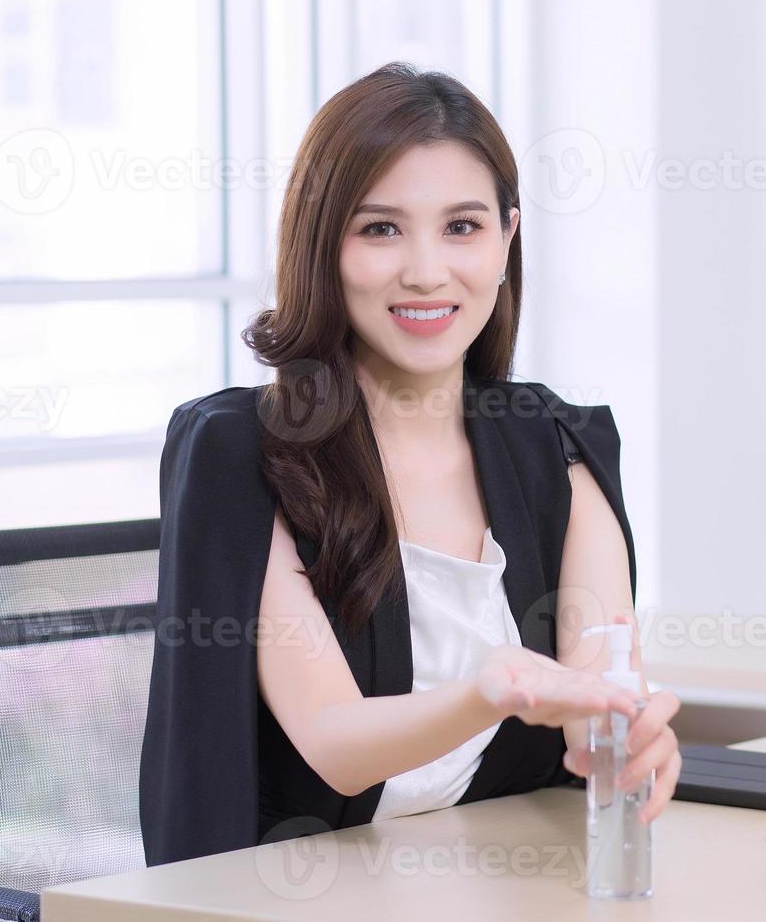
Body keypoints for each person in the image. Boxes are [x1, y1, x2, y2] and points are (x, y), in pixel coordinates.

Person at [139, 62, 681, 866]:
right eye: (381, 229)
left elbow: (591, 692)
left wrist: (629, 736)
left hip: (496, 880)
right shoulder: (241, 454)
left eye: (462, 226)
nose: (426, 270)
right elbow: (334, 742)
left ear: (507, 238)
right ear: (324, 246)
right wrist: (487, 691)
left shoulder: (558, 444)